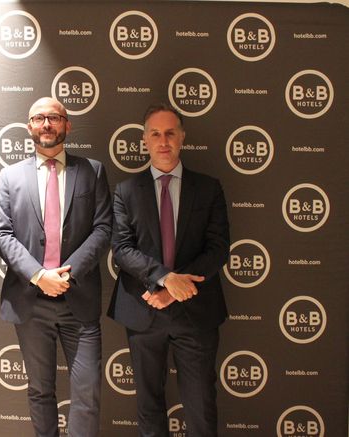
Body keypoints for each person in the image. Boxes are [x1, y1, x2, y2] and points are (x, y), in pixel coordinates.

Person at [108, 103, 230, 437]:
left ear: (182, 137)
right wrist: (165, 279)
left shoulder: (208, 188)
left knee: (201, 404)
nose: (163, 141)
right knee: (148, 404)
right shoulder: (125, 191)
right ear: (144, 140)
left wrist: (174, 291)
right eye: (155, 134)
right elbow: (122, 249)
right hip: (143, 309)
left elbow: (218, 248)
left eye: (170, 133)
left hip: (197, 311)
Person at [0, 97, 112, 437]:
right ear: (29, 126)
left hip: (79, 300)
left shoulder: (92, 171)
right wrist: (39, 276)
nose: (46, 124)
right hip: (30, 301)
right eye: (39, 118)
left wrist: (66, 276)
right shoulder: (10, 176)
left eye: (54, 118)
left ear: (67, 125)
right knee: (40, 390)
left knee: (87, 392)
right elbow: (1, 234)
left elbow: (103, 228)